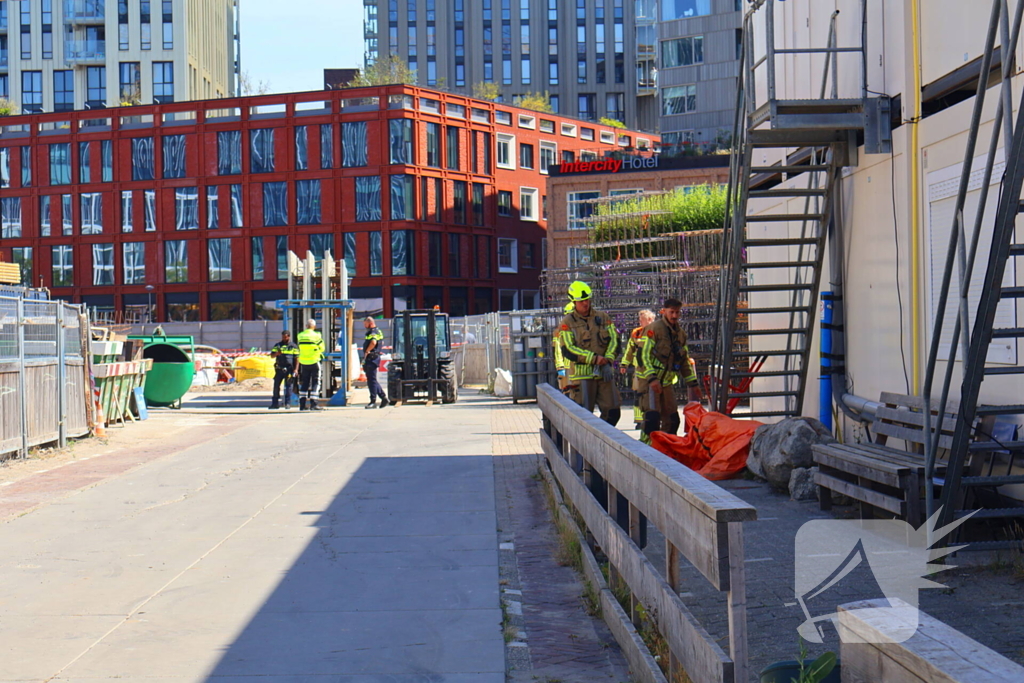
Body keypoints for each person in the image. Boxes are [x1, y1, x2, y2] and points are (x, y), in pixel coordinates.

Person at [638, 298, 703, 444]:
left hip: (666, 383)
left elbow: (684, 361)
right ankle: (645, 449)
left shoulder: (680, 334)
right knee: (651, 420)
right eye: (671, 312)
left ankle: (665, 448)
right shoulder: (654, 329)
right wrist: (652, 379)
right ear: (664, 311)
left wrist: (693, 384)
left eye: (677, 312)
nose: (674, 316)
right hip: (650, 383)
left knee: (673, 420)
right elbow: (643, 355)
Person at [559, 280, 620, 426]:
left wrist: (607, 360)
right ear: (574, 301)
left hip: (604, 373)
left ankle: (601, 437)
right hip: (582, 377)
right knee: (584, 418)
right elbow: (568, 348)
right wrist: (594, 359)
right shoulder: (567, 322)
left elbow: (615, 340)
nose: (585, 303)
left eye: (587, 299)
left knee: (613, 412)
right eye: (581, 301)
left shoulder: (603, 317)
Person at [621, 309, 656, 430]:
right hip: (639, 369)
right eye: (639, 320)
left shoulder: (658, 332)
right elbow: (629, 350)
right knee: (639, 393)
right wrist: (624, 364)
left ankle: (654, 418)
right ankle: (639, 419)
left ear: (650, 320)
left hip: (654, 368)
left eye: (642, 320)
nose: (640, 322)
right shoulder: (636, 333)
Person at [296, 318, 325, 411]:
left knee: (305, 383)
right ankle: (314, 404)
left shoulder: (300, 335)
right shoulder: (317, 335)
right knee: (316, 382)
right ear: (314, 326)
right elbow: (322, 348)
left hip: (304, 362)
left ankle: (302, 405)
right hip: (314, 361)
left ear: (306, 326)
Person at [362, 316, 390, 409]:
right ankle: (383, 398)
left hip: (372, 358)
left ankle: (373, 401)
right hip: (374, 357)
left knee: (372, 381)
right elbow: (381, 343)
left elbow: (373, 342)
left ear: (370, 323)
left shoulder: (373, 332)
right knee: (372, 380)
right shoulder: (378, 331)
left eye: (365, 324)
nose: (364, 326)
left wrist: (367, 351)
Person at [268, 330, 298, 409]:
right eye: (283, 337)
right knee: (276, 386)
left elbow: (296, 358)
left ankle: (287, 403)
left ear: (289, 336)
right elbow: (272, 356)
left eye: (285, 337)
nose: (284, 338)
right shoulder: (278, 345)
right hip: (279, 369)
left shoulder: (293, 346)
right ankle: (275, 404)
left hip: (289, 369)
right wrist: (277, 353)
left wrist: (296, 369)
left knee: (289, 387)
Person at [553, 301, 574, 393]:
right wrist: (560, 367)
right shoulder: (560, 331)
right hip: (567, 367)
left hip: (581, 368)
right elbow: (558, 350)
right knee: (568, 392)